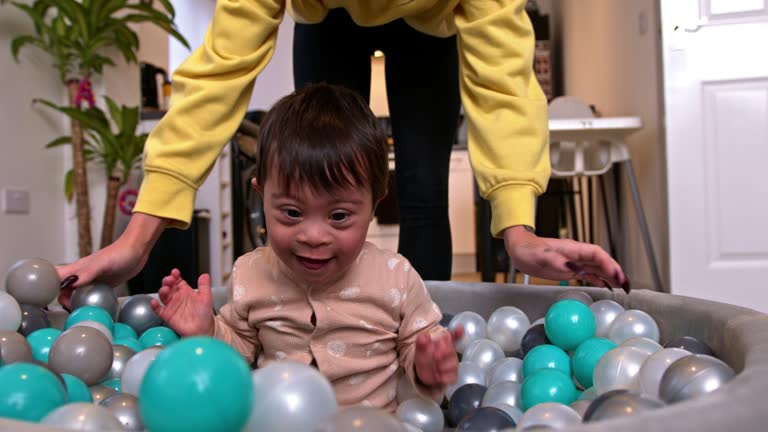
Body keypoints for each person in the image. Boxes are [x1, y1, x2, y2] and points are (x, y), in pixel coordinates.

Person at [56, 0, 628, 307]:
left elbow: (503, 84)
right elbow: (218, 76)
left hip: (429, 29)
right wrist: (137, 241)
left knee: (424, 191)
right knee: (316, 182)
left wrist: (518, 231)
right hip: (325, 21)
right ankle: (324, 323)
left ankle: (417, 332)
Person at [150, 84, 460, 410]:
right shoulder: (250, 273)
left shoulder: (396, 277)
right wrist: (207, 331)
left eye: (338, 216)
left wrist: (429, 365)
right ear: (261, 197)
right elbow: (238, 353)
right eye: (292, 213)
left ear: (373, 206)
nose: (313, 236)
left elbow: (418, 343)